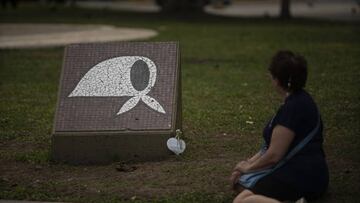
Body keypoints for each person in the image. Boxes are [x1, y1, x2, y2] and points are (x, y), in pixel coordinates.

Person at [230, 50, 329, 203]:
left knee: (242, 201)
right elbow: (268, 148)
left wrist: (247, 168)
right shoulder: (301, 99)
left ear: (277, 80)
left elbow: (273, 155)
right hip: (309, 170)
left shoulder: (292, 109)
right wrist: (247, 164)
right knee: (241, 186)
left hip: (302, 173)